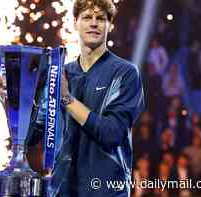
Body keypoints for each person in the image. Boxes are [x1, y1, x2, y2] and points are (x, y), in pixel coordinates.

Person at [50, 0, 145, 196]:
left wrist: (67, 99)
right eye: (87, 17)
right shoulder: (63, 74)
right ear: (75, 22)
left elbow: (112, 133)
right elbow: (39, 133)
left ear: (110, 24)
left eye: (100, 18)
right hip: (62, 191)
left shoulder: (125, 73)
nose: (94, 23)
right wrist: (13, 99)